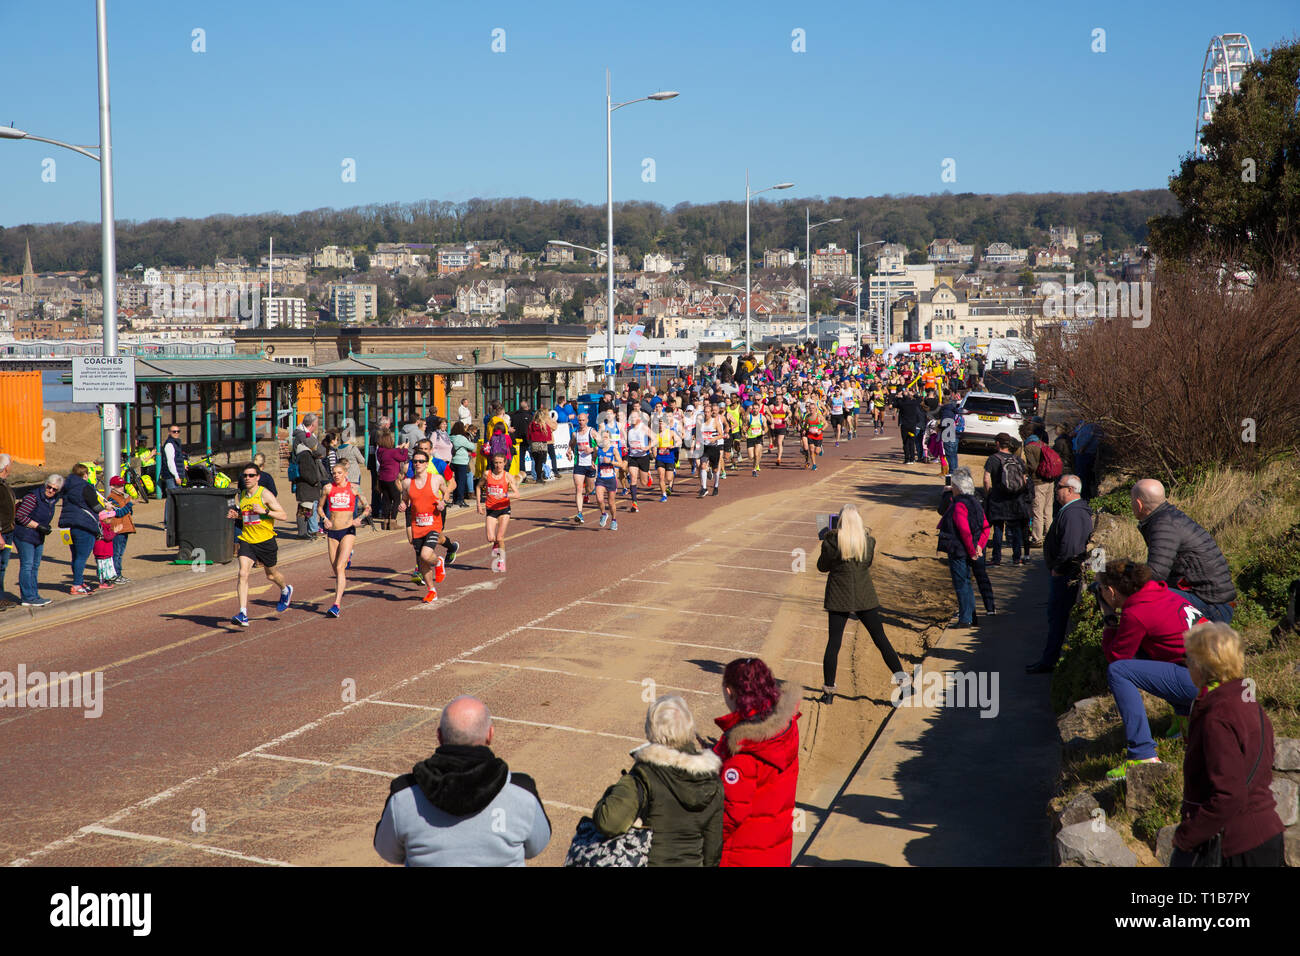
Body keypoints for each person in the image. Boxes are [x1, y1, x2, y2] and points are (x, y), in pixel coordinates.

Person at [373, 695, 551, 867]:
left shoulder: (403, 797)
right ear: (490, 735)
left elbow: (387, 851)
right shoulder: (522, 793)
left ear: (440, 736)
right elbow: (537, 846)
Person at [1171, 623, 1285, 867]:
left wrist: (1186, 836)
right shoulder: (1246, 700)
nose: (1186, 664)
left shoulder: (1217, 714)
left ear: (1202, 665)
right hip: (1264, 831)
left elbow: (1228, 795)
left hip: (1235, 843)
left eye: (1188, 658)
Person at [1094, 560, 1204, 780]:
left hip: (1200, 682)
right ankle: (1186, 721)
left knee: (1119, 672)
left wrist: (1108, 617)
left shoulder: (1136, 613)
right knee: (1150, 652)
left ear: (1111, 591)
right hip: (1219, 673)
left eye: (1102, 589)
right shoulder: (1162, 593)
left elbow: (1116, 658)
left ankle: (1142, 753)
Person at [591, 695, 723, 867]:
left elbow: (609, 822)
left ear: (651, 730)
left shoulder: (644, 774)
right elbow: (713, 850)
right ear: (689, 728)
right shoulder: (712, 779)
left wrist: (615, 789)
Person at [712, 658, 800, 867]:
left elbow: (729, 816)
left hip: (740, 856)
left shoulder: (743, 754)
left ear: (730, 691)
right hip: (774, 851)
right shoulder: (785, 728)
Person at [816, 504, 907, 704]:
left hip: (839, 596)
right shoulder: (868, 542)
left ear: (839, 522)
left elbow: (822, 567)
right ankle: (904, 684)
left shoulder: (832, 542)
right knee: (881, 640)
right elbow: (866, 564)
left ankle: (829, 692)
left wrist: (827, 538)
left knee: (834, 643)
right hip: (865, 596)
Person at [1131, 479, 1236, 623]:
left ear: (1138, 504)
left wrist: (1120, 580)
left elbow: (1155, 574)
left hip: (1211, 606)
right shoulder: (1169, 517)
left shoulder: (1163, 524)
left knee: (1143, 594)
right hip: (1213, 599)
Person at [1027, 474, 1093, 674]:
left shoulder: (1073, 514)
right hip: (1064, 574)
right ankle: (1050, 658)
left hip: (1064, 577)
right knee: (1055, 617)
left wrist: (1058, 569)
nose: (1056, 491)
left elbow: (1071, 547)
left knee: (1057, 618)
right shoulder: (1073, 510)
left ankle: (1050, 661)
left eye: (1060, 488)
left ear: (1070, 490)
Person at [227, 462, 294, 628]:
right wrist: (237, 516)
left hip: (265, 541)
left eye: (251, 475)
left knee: (271, 575)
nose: (247, 478)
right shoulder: (242, 495)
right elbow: (247, 516)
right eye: (245, 476)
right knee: (243, 573)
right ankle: (243, 613)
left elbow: (284, 515)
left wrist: (265, 511)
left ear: (258, 477)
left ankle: (285, 589)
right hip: (248, 540)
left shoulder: (265, 494)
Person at [938, 468, 995, 628]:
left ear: (958, 488)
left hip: (959, 550)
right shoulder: (976, 502)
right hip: (972, 548)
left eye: (954, 486)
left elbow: (964, 531)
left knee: (962, 583)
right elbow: (985, 526)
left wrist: (972, 551)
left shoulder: (958, 506)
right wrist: (979, 546)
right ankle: (972, 616)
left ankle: (965, 619)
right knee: (969, 582)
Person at [318, 463, 370, 617]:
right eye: (334, 473)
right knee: (335, 568)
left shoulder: (354, 488)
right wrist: (324, 518)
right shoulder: (327, 488)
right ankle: (347, 558)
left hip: (348, 530)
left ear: (346, 473)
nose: (336, 475)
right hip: (332, 532)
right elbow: (320, 507)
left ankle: (336, 604)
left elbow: (367, 507)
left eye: (339, 473)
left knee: (340, 568)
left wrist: (359, 519)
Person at [402, 449, 452, 601]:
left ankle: (439, 562)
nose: (417, 464)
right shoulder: (407, 483)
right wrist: (402, 505)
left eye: (421, 461)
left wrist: (443, 502)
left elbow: (447, 492)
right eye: (415, 461)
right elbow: (405, 500)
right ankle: (432, 590)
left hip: (433, 524)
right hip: (417, 525)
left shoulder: (436, 479)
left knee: (425, 554)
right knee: (423, 561)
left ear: (426, 463)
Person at [982, 433, 1030, 566]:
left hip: (998, 499)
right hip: (1015, 499)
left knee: (998, 529)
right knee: (1016, 529)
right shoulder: (1018, 459)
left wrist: (988, 494)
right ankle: (1017, 558)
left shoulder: (993, 459)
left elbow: (986, 479)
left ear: (998, 443)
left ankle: (996, 559)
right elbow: (1025, 480)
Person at [58, 463, 102, 595]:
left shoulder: (66, 486)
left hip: (67, 525)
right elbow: (95, 505)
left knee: (75, 556)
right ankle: (76, 584)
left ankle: (79, 580)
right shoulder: (85, 486)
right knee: (81, 557)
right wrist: (106, 508)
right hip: (83, 524)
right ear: (85, 474)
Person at [478, 452, 519, 572]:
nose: (498, 465)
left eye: (500, 462)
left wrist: (505, 494)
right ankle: (495, 544)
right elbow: (478, 487)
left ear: (505, 463)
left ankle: (501, 561)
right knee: (491, 538)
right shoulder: (487, 474)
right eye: (496, 462)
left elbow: (517, 494)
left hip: (504, 509)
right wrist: (478, 504)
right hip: (491, 509)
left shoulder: (508, 476)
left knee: (500, 537)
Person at [292, 414, 327, 539]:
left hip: (305, 485)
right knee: (305, 507)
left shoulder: (305, 451)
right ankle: (304, 533)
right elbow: (307, 472)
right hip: (306, 485)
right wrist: (315, 481)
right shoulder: (305, 454)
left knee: (306, 507)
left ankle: (305, 531)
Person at [374, 430, 408, 530]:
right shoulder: (393, 452)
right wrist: (405, 449)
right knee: (397, 499)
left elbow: (392, 453)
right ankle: (393, 521)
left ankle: (385, 522)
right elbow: (403, 458)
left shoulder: (380, 451)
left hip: (382, 478)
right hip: (392, 478)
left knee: (386, 499)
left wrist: (399, 448)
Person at [105, 475, 136, 584]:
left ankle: (118, 574)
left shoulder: (123, 497)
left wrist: (129, 504)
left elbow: (128, 512)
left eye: (122, 485)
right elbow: (118, 513)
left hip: (125, 528)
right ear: (112, 486)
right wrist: (130, 504)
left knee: (120, 553)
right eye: (119, 486)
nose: (122, 488)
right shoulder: (111, 498)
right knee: (116, 553)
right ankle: (115, 575)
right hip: (117, 529)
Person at [594, 430, 623, 531]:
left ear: (609, 438)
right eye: (603, 437)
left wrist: (611, 461)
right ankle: (603, 514)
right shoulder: (598, 449)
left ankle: (614, 520)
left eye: (606, 437)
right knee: (599, 499)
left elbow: (621, 464)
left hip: (611, 479)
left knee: (611, 503)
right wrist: (593, 463)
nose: (604, 439)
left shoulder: (613, 450)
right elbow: (594, 458)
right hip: (601, 478)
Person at [449, 422, 476, 508]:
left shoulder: (451, 437)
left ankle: (455, 498)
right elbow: (472, 447)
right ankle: (460, 500)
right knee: (461, 482)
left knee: (456, 481)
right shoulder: (461, 438)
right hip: (461, 462)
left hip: (453, 461)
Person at [91, 508, 117, 591]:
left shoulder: (106, 526)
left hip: (105, 551)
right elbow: (107, 537)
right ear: (104, 519)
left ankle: (106, 581)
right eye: (109, 518)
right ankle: (102, 582)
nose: (111, 520)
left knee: (106, 567)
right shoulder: (102, 526)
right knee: (102, 568)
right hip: (102, 551)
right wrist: (115, 532)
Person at [0, 455, 13, 609]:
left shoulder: (4, 484)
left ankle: (2, 597)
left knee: (3, 566)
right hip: (2, 533)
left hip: (8, 530)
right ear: (6, 467)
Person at [526, 410, 553, 484]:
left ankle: (537, 477)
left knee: (536, 461)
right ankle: (539, 478)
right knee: (540, 462)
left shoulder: (531, 425)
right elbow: (548, 436)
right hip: (542, 445)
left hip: (534, 444)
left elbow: (528, 435)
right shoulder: (544, 425)